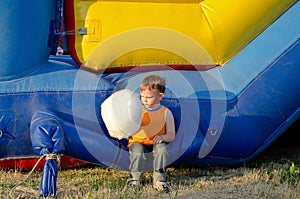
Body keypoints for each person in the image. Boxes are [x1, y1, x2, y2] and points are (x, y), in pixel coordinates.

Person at [127, 74, 176, 193]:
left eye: (148, 97)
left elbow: (171, 134)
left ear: (160, 96)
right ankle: (135, 179)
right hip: (139, 142)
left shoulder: (166, 112)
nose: (144, 99)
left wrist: (162, 137)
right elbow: (128, 126)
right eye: (142, 96)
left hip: (156, 142)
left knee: (162, 149)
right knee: (137, 149)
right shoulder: (138, 110)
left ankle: (159, 180)